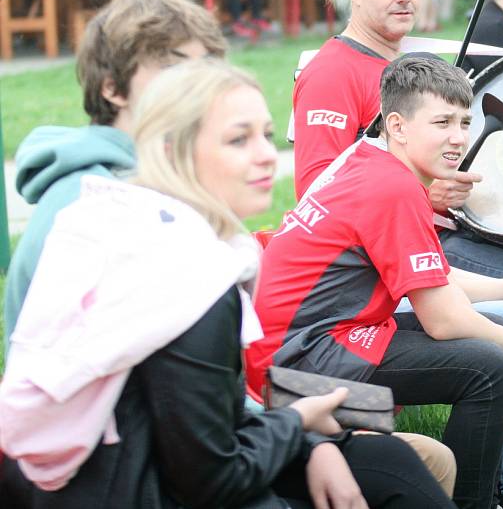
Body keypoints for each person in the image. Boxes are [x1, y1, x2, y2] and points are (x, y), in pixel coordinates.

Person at [0, 60, 457, 509]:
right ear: (174, 148)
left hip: (227, 417)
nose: (264, 153)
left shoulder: (119, 218)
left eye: (266, 133)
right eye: (238, 139)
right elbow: (212, 476)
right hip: (144, 478)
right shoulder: (191, 276)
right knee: (468, 391)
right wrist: (298, 424)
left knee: (402, 453)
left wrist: (310, 439)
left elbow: (208, 409)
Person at [288, 0, 503, 508]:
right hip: (363, 279)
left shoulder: (400, 64)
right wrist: (423, 196)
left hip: (418, 242)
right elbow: (319, 191)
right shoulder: (331, 73)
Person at [251, 54, 503, 509]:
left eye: (463, 122)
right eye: (441, 123)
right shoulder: (392, 188)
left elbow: (436, 283)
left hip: (304, 348)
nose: (457, 138)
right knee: (491, 369)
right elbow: (444, 320)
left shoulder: (369, 163)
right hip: (289, 374)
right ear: (397, 125)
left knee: (489, 351)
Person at [3, 0, 227, 353]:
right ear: (113, 89)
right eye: (175, 70)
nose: (200, 88)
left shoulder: (161, 182)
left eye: (206, 70)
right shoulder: (91, 203)